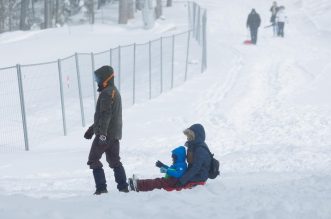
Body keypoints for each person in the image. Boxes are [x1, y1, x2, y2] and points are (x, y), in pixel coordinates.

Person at [84, 65, 129, 195]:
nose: (96, 81)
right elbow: (105, 116)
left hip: (106, 134)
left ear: (105, 79)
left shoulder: (107, 93)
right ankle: (123, 187)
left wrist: (101, 134)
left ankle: (101, 188)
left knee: (93, 159)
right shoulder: (113, 91)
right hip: (114, 134)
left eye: (98, 78)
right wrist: (92, 130)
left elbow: (106, 115)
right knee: (114, 160)